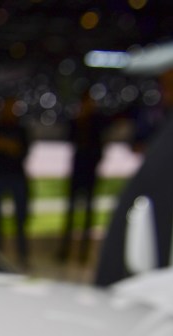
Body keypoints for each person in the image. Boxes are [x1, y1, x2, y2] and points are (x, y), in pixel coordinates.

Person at [57, 94, 108, 263]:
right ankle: (65, 250)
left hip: (89, 173)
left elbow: (100, 147)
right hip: (78, 172)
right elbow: (69, 137)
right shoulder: (77, 123)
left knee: (87, 216)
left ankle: (83, 253)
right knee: (71, 214)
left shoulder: (96, 124)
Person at [0, 99, 30, 267]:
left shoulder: (21, 129)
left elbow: (25, 152)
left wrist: (11, 147)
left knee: (19, 219)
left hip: (17, 176)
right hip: (0, 175)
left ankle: (23, 255)